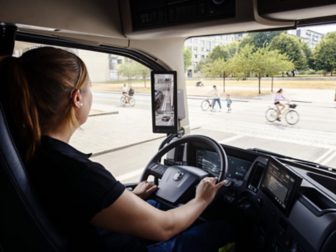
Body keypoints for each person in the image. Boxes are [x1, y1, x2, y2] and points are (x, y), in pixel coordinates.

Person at [0, 47, 234, 251]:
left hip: (93, 239)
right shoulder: (74, 170)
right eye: (89, 88)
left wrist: (129, 198)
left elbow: (77, 207)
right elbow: (165, 226)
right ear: (77, 99)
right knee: (226, 228)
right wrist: (202, 199)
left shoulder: (33, 152)